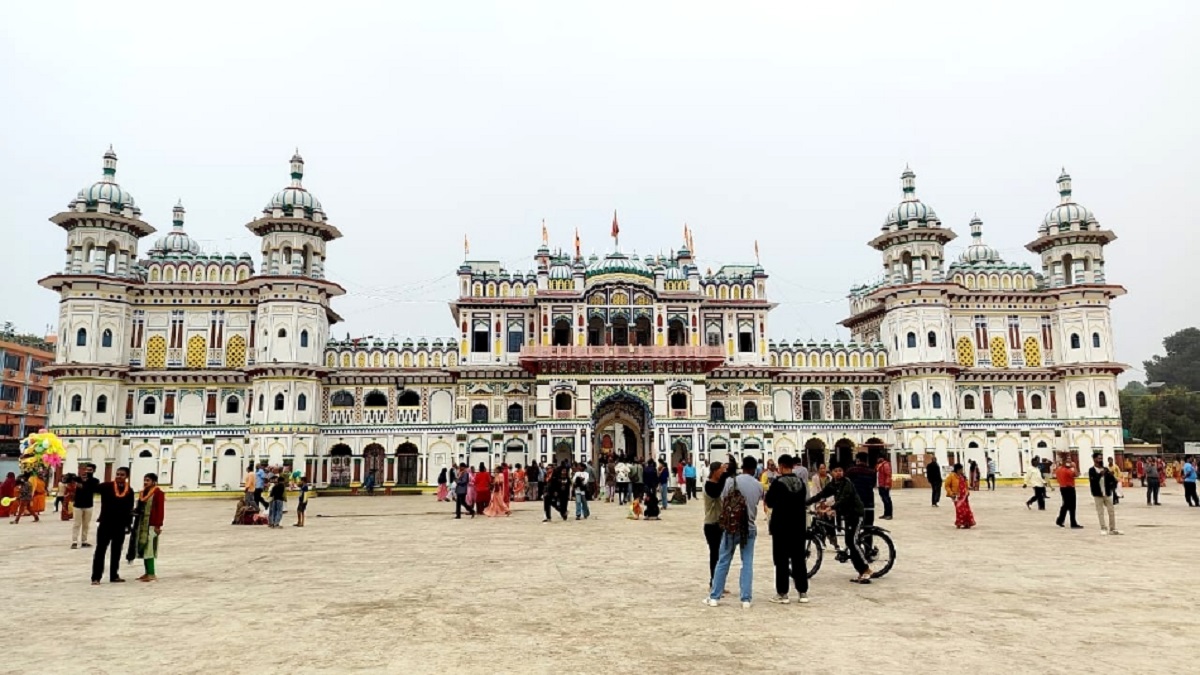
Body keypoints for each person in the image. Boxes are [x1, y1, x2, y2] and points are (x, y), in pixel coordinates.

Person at [706, 456, 765, 609]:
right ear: (754, 469)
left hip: (731, 526)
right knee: (747, 563)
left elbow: (724, 498)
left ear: (743, 467)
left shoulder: (731, 481)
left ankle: (714, 597)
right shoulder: (758, 485)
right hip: (749, 528)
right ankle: (746, 598)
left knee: (723, 560)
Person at [807, 463, 873, 583]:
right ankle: (861, 571)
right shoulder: (833, 484)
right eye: (836, 471)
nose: (839, 473)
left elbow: (844, 499)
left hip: (855, 514)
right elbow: (821, 495)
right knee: (849, 542)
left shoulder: (846, 483)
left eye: (840, 470)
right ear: (831, 472)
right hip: (847, 515)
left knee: (852, 542)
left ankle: (866, 569)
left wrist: (831, 508)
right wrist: (807, 503)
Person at [765, 454, 809, 604]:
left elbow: (769, 502)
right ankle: (802, 592)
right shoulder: (801, 483)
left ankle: (783, 593)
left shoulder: (778, 483)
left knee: (781, 560)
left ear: (781, 466)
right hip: (798, 526)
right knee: (799, 559)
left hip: (781, 526)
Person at [91, 467, 135, 585]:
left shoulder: (129, 491)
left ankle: (114, 575)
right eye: (117, 474)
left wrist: (128, 525)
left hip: (120, 525)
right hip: (105, 523)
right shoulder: (106, 486)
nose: (119, 476)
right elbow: (93, 488)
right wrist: (90, 476)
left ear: (127, 477)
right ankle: (96, 577)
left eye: (122, 474)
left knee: (116, 551)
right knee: (100, 550)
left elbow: (129, 508)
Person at [128, 472, 165, 581]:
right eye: (144, 480)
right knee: (143, 547)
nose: (145, 482)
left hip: (151, 524)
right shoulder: (143, 493)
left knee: (149, 548)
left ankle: (152, 573)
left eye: (148, 480)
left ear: (154, 482)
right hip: (141, 524)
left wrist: (158, 525)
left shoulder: (158, 493)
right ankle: (147, 572)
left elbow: (160, 510)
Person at [702, 461, 727, 589]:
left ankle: (718, 582)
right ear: (715, 471)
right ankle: (714, 582)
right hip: (711, 524)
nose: (723, 472)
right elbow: (716, 492)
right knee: (715, 554)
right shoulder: (709, 485)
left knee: (720, 555)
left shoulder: (717, 484)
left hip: (719, 524)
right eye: (721, 470)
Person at [1087, 453, 1121, 535]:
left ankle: (1112, 528)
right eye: (1098, 458)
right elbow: (1093, 481)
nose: (1100, 460)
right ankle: (1103, 527)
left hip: (1107, 493)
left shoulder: (1105, 469)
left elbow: (1112, 479)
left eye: (1101, 458)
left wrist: (1113, 481)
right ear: (1094, 459)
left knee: (1111, 511)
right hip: (1098, 494)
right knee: (1100, 511)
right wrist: (1099, 474)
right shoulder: (1092, 470)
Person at [846, 453, 876, 534]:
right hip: (869, 504)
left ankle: (855, 545)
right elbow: (873, 484)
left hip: (855, 505)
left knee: (853, 530)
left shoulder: (851, 471)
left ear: (857, 460)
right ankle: (868, 546)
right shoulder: (872, 472)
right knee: (868, 529)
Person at [1055, 460, 1083, 529]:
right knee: (1071, 506)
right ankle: (1071, 522)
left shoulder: (1059, 469)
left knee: (1066, 504)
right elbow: (1077, 475)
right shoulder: (1068, 470)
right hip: (1069, 488)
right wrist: (1075, 467)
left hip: (1062, 488)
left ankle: (1061, 520)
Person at [952, 464, 975, 529]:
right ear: (957, 470)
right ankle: (959, 523)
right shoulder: (952, 476)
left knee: (966, 510)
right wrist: (951, 493)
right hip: (957, 496)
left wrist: (967, 491)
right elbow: (947, 485)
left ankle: (967, 523)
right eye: (961, 469)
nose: (962, 470)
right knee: (959, 510)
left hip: (964, 496)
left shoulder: (963, 476)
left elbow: (966, 485)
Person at [876, 455, 893, 520]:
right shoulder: (880, 465)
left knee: (887, 500)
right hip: (880, 485)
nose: (877, 460)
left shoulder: (885, 465)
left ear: (882, 458)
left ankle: (889, 514)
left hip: (884, 485)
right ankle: (886, 514)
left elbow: (888, 475)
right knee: (884, 500)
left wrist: (887, 484)